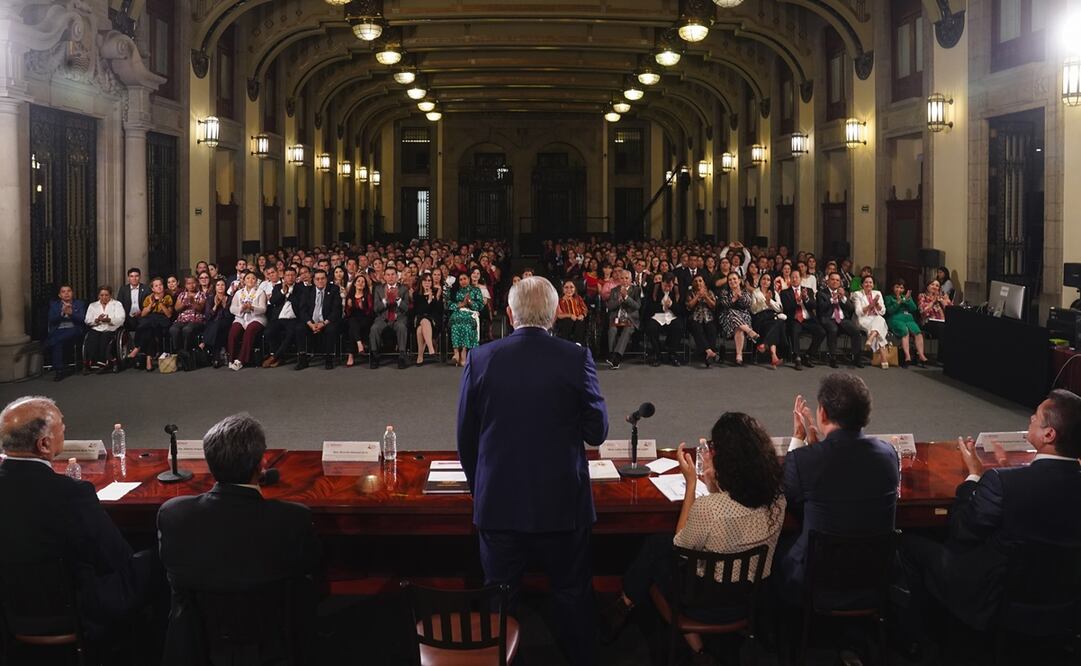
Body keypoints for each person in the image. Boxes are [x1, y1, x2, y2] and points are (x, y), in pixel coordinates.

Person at [457, 276, 608, 666]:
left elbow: (466, 438)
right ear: (557, 313)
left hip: (500, 505)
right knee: (572, 594)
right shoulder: (576, 357)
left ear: (509, 315)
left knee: (501, 600)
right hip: (562, 504)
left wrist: (482, 490)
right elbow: (598, 431)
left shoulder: (480, 358)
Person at [602, 413, 786, 662]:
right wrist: (716, 484)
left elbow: (680, 543)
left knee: (658, 546)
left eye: (713, 448)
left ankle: (628, 604)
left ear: (726, 460)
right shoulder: (777, 500)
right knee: (657, 546)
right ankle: (628, 604)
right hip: (750, 598)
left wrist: (692, 485)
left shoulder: (712, 508)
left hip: (702, 603)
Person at [899, 390, 1081, 633]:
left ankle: (923, 633)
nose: (1030, 418)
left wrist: (974, 475)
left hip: (996, 593)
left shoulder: (1001, 483)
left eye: (1036, 417)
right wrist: (1006, 470)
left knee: (909, 543)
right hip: (1063, 596)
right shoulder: (1011, 481)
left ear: (1049, 434)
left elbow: (963, 531)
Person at [157, 413, 321, 665]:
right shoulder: (293, 519)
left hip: (198, 647)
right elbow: (311, 570)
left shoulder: (173, 514)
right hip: (273, 644)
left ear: (210, 464)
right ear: (261, 465)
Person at [0, 396, 159, 643]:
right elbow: (117, 558)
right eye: (62, 427)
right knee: (158, 557)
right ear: (44, 444)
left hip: (11, 613)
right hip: (75, 612)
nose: (65, 430)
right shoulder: (70, 494)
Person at [777, 374, 899, 604]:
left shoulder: (805, 461)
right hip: (873, 573)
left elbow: (789, 501)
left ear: (822, 413)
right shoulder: (889, 454)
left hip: (818, 576)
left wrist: (799, 438)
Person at [816, 271, 865, 369]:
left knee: (855, 331)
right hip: (828, 319)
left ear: (840, 282)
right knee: (833, 329)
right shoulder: (821, 293)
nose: (835, 282)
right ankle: (833, 357)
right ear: (828, 281)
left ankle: (856, 358)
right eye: (832, 279)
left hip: (842, 319)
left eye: (837, 280)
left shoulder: (844, 293)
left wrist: (843, 298)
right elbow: (821, 308)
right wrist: (831, 300)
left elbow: (851, 309)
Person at [295, 268, 341, 370]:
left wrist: (323, 323)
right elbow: (302, 310)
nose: (320, 281)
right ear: (313, 280)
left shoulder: (334, 290)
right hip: (311, 322)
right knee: (299, 328)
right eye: (317, 279)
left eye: (323, 279)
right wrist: (311, 324)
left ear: (326, 279)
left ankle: (328, 359)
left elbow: (336, 310)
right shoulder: (307, 291)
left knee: (331, 329)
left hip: (327, 321)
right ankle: (302, 359)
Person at [779, 270, 825, 371]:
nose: (795, 279)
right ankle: (797, 358)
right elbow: (787, 308)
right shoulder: (784, 292)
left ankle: (808, 355)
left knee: (821, 332)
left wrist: (806, 298)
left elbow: (814, 305)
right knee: (794, 331)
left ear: (800, 279)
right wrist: (798, 301)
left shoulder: (808, 290)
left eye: (797, 277)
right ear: (790, 279)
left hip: (808, 319)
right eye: (793, 277)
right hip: (794, 319)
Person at [262, 267, 305, 368]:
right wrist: (282, 292)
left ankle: (275, 357)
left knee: (290, 334)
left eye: (292, 275)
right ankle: (280, 357)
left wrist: (288, 294)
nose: (290, 277)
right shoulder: (278, 287)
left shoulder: (301, 288)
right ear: (284, 277)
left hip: (293, 318)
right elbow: (273, 301)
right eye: (287, 275)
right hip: (279, 318)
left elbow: (300, 304)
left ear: (295, 276)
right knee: (268, 332)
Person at [370, 265, 411, 369]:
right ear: (384, 276)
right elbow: (376, 308)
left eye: (393, 274)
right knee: (374, 328)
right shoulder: (379, 289)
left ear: (397, 276)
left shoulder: (404, 289)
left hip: (398, 318)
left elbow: (406, 308)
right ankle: (375, 356)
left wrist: (398, 299)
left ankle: (402, 356)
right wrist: (384, 301)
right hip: (383, 318)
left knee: (402, 327)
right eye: (388, 275)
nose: (390, 277)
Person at [44, 284, 87, 381]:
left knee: (55, 340)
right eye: (63, 292)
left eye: (69, 291)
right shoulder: (54, 305)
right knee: (57, 341)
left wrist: (72, 314)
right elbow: (51, 320)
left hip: (74, 330)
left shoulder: (79, 304)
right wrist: (62, 313)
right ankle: (60, 370)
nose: (66, 293)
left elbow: (83, 319)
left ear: (72, 293)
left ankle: (59, 370)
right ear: (60, 295)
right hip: (58, 330)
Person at [130, 277, 174, 372]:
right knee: (148, 329)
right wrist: (151, 305)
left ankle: (138, 347)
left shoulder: (168, 297)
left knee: (147, 325)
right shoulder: (149, 298)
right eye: (156, 286)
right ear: (153, 289)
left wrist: (161, 303)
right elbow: (143, 314)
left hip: (163, 320)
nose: (159, 287)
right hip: (151, 320)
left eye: (160, 285)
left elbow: (169, 315)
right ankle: (148, 360)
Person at [226, 272, 267, 371]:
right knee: (233, 332)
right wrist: (242, 308)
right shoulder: (238, 293)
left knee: (250, 330)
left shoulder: (260, 292)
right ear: (244, 281)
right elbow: (232, 308)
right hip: (241, 317)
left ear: (256, 281)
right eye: (248, 278)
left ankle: (241, 360)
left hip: (256, 318)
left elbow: (263, 309)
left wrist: (252, 307)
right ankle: (232, 358)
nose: (250, 280)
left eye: (253, 278)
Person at [643, 272, 686, 367]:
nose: (667, 289)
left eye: (670, 286)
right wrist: (662, 307)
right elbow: (648, 307)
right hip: (657, 315)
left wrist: (672, 305)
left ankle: (672, 354)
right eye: (665, 286)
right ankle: (657, 354)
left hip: (672, 315)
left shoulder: (678, 289)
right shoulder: (653, 288)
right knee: (651, 328)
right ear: (661, 282)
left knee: (678, 327)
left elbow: (682, 310)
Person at [716, 271, 758, 366]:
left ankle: (739, 356)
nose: (732, 281)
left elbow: (748, 304)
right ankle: (750, 332)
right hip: (727, 319)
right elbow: (724, 305)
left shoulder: (745, 291)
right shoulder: (724, 292)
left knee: (738, 326)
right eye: (730, 280)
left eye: (734, 279)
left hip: (743, 318)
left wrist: (741, 297)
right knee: (731, 312)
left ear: (739, 280)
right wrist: (734, 299)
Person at [883, 278, 928, 368]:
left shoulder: (906, 297)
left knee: (917, 332)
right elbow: (890, 311)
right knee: (905, 331)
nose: (899, 289)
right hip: (895, 319)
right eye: (897, 287)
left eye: (901, 288)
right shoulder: (888, 298)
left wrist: (907, 300)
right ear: (893, 288)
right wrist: (899, 302)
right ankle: (907, 356)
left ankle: (921, 355)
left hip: (908, 319)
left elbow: (914, 309)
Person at [84, 286, 125, 373]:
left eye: (106, 295)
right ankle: (92, 362)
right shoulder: (93, 306)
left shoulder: (117, 304)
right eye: (102, 295)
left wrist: (109, 320)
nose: (104, 297)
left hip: (110, 329)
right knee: (92, 338)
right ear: (98, 296)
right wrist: (96, 320)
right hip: (97, 328)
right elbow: (87, 320)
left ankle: (105, 362)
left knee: (105, 339)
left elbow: (121, 319)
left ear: (110, 295)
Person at [851, 275, 890, 367]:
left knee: (880, 319)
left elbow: (883, 312)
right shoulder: (857, 294)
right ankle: (883, 357)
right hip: (863, 319)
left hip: (875, 318)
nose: (868, 284)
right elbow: (858, 312)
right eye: (866, 282)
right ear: (862, 285)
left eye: (870, 282)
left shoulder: (878, 293)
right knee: (879, 327)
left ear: (873, 285)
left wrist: (877, 305)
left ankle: (871, 338)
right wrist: (870, 305)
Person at [606, 268, 641, 369]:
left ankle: (616, 357)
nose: (624, 280)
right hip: (616, 318)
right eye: (622, 278)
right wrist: (618, 301)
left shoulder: (636, 290)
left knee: (627, 329)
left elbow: (637, 306)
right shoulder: (614, 290)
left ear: (631, 279)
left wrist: (626, 298)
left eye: (627, 278)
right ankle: (612, 355)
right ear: (619, 279)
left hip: (630, 319)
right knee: (612, 330)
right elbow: (610, 307)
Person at [750, 273, 785, 368]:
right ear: (760, 281)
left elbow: (780, 309)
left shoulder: (775, 293)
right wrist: (765, 303)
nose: (766, 281)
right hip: (760, 318)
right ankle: (773, 355)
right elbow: (753, 310)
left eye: (768, 280)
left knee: (777, 323)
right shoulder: (755, 292)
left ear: (770, 282)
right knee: (777, 325)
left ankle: (768, 349)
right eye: (764, 279)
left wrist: (770, 301)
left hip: (771, 317)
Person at [449, 272, 483, 367]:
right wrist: (460, 304)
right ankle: (456, 353)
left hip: (470, 313)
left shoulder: (475, 290)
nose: (463, 281)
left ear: (468, 279)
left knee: (467, 325)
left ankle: (464, 352)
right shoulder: (455, 291)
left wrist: (470, 302)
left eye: (464, 279)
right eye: (460, 280)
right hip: (458, 312)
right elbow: (449, 304)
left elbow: (480, 306)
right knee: (455, 324)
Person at [686, 275, 720, 368]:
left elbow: (713, 306)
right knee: (697, 329)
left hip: (708, 317)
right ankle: (710, 352)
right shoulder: (690, 292)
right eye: (696, 281)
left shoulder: (709, 292)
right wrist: (697, 296)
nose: (698, 283)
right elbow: (689, 306)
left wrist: (705, 297)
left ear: (704, 282)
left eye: (700, 281)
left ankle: (708, 354)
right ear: (693, 283)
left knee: (712, 329)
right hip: (695, 318)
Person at [168, 276, 207, 357]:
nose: (191, 285)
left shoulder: (201, 294)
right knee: (173, 329)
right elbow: (176, 309)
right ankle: (179, 352)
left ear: (197, 283)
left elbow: (200, 309)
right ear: (185, 285)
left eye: (193, 283)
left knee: (187, 329)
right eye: (189, 283)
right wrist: (184, 303)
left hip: (196, 320)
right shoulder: (182, 295)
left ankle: (186, 352)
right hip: (181, 320)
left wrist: (193, 302)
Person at [412, 272, 442, 365]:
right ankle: (431, 348)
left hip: (434, 320)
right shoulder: (416, 294)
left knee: (420, 329)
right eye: (425, 280)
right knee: (423, 321)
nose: (427, 283)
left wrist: (435, 297)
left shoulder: (436, 291)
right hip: (420, 318)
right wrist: (429, 300)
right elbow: (419, 311)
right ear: (421, 282)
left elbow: (439, 310)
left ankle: (420, 356)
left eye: (429, 281)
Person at [202, 277, 232, 368]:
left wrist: (224, 306)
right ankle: (217, 357)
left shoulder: (230, 298)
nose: (220, 287)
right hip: (213, 324)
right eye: (218, 285)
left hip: (226, 323)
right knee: (216, 327)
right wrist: (215, 306)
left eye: (222, 285)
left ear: (226, 287)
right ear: (215, 287)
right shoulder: (210, 299)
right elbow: (207, 317)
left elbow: (230, 316)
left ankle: (205, 343)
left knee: (218, 325)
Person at [555, 279, 588, 346]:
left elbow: (585, 309)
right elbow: (559, 315)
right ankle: (565, 344)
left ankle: (578, 345)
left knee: (579, 322)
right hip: (565, 322)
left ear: (575, 289)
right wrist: (570, 315)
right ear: (563, 289)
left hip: (578, 320)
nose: (569, 289)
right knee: (568, 321)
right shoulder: (559, 300)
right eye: (566, 287)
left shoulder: (578, 298)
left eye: (571, 287)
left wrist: (582, 315)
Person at [118, 267, 150, 334]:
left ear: (140, 277)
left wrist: (141, 312)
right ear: (128, 278)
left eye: (136, 276)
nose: (134, 278)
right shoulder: (123, 289)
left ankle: (138, 344)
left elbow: (149, 304)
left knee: (144, 326)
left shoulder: (146, 289)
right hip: (127, 317)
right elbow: (119, 304)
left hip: (142, 316)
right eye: (131, 276)